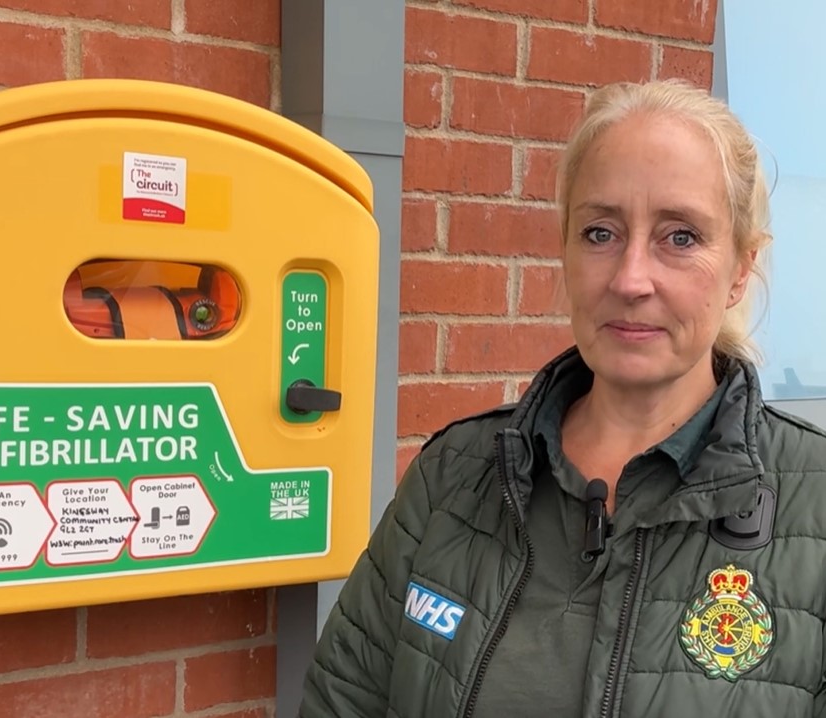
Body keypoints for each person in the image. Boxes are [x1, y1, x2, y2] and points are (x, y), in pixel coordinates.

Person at [299, 79, 826, 717]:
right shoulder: (455, 477)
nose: (632, 278)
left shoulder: (814, 504)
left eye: (680, 237)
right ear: (565, 249)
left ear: (741, 267)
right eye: (600, 233)